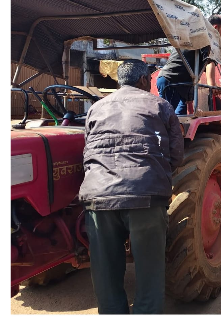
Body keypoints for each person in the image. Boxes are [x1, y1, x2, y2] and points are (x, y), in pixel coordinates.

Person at [79, 60, 184, 314]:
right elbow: (177, 155)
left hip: (98, 198)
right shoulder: (161, 105)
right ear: (143, 80)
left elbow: (87, 152)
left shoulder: (96, 108)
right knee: (149, 274)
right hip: (146, 197)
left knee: (105, 274)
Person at [156, 14, 221, 114]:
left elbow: (204, 65)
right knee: (167, 118)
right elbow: (209, 62)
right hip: (172, 81)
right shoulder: (205, 38)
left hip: (181, 84)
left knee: (181, 116)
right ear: (215, 28)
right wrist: (212, 86)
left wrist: (214, 85)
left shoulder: (196, 35)